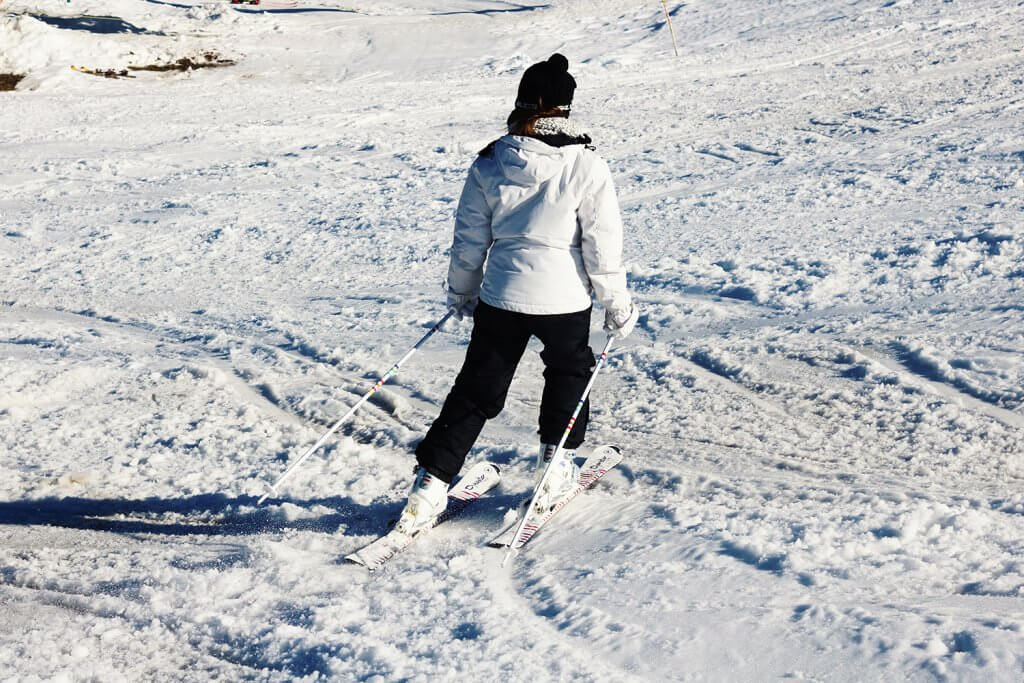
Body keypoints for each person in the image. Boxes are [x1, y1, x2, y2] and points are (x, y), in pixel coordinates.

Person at [395, 53, 638, 535]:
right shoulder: (587, 165)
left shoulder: (490, 161)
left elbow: (469, 238)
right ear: (564, 108)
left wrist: (462, 292)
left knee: (476, 389)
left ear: (523, 103)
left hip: (501, 297)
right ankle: (554, 469)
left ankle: (428, 487)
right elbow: (601, 243)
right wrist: (617, 301)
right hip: (564, 299)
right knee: (569, 371)